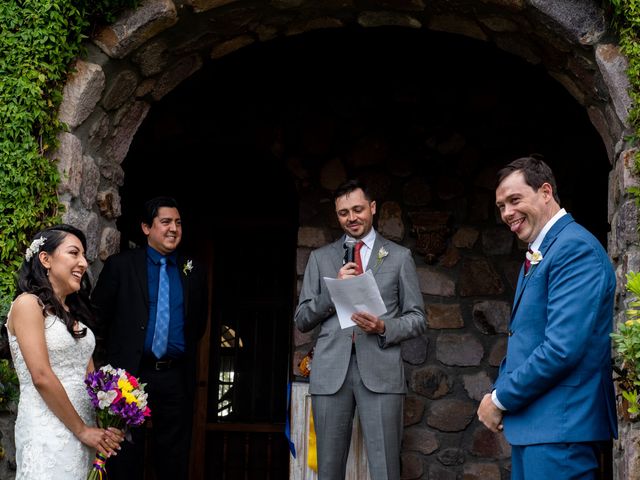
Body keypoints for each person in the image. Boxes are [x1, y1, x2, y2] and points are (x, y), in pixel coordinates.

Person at [477, 156, 618, 479]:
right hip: (539, 429)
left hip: (562, 431)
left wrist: (500, 398)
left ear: (545, 192)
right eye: (501, 206)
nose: (507, 213)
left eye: (514, 200)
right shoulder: (546, 250)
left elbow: (561, 349)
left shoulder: (575, 249)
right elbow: (526, 339)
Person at [295, 179, 426, 480]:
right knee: (327, 469)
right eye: (343, 213)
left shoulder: (398, 256)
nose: (351, 218)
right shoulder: (321, 258)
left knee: (385, 469)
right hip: (330, 372)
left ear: (373, 208)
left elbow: (417, 318)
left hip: (381, 371)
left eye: (357, 210)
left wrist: (384, 327)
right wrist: (332, 292)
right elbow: (302, 319)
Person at [91, 196, 208, 480]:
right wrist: (109, 370)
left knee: (173, 458)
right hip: (130, 374)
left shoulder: (191, 269)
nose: (174, 229)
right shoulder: (122, 266)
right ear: (146, 227)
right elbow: (97, 320)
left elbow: (198, 323)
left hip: (174, 376)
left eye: (178, 223)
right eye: (165, 222)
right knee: (125, 455)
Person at [6, 224, 124, 479]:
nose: (83, 263)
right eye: (74, 253)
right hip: (49, 431)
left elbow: (91, 380)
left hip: (85, 433)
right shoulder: (28, 304)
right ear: (45, 258)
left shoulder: (74, 314)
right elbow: (40, 375)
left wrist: (107, 422)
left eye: (84, 256)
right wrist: (81, 429)